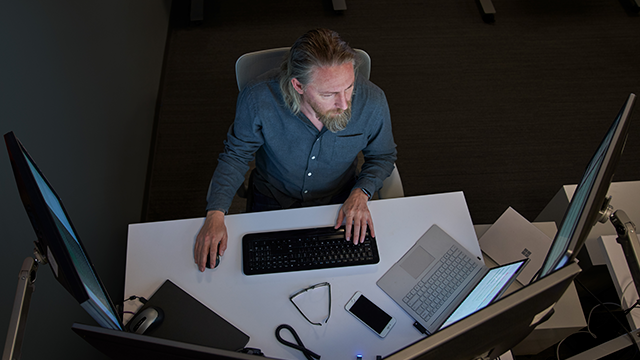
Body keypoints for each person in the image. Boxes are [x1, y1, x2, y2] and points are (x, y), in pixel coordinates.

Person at [194, 28, 397, 272]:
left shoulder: (373, 101)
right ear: (298, 85)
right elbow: (237, 155)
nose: (344, 104)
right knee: (259, 273)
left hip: (340, 200)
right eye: (329, 93)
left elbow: (383, 156)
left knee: (349, 272)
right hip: (273, 195)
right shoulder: (258, 98)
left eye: (349, 87)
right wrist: (215, 213)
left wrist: (361, 192)